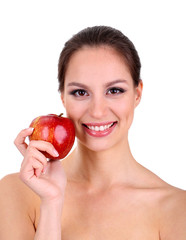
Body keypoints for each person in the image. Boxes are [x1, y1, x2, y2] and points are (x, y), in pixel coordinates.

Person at [0, 26, 186, 240]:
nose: (97, 111)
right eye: (80, 92)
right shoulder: (15, 192)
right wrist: (51, 203)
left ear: (137, 94)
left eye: (114, 90)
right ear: (63, 98)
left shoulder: (177, 209)